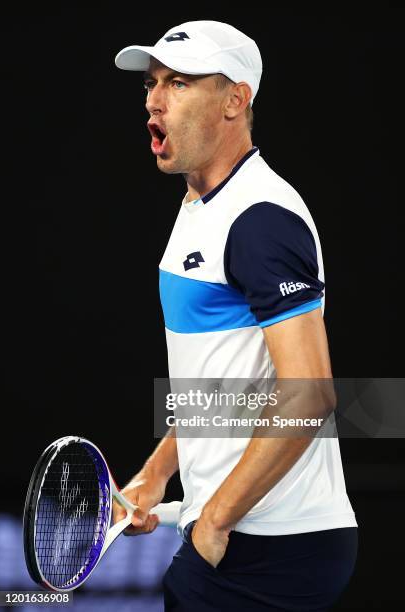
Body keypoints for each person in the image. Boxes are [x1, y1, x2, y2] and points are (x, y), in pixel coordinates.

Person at [113, 20, 358, 611]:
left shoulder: (261, 219)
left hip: (274, 548)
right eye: (151, 83)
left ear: (235, 100)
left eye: (178, 82)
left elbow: (309, 393)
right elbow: (228, 388)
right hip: (241, 539)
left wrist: (214, 523)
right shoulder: (198, 203)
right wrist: (157, 473)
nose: (154, 99)